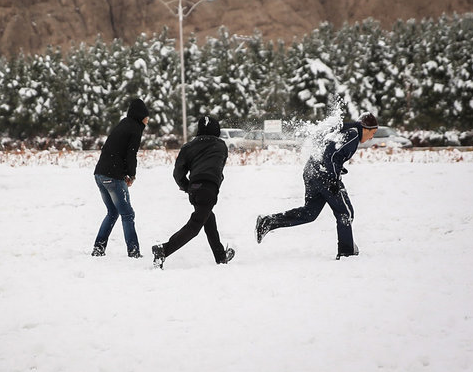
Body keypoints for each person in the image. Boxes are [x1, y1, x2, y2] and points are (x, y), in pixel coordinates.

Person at [255, 112, 379, 259]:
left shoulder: (346, 131)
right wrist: (333, 179)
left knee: (310, 213)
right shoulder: (352, 135)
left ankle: (268, 221)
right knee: (345, 213)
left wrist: (338, 169)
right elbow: (330, 155)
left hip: (312, 171)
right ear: (365, 128)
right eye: (372, 132)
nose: (372, 137)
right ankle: (347, 252)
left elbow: (332, 153)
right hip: (325, 176)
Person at [152, 116, 235, 269]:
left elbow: (178, 172)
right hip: (209, 189)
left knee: (209, 219)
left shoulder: (188, 147)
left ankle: (220, 256)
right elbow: (218, 169)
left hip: (195, 189)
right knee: (195, 226)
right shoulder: (221, 146)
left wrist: (186, 186)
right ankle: (163, 250)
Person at [92, 98, 149, 258]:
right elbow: (131, 154)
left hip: (99, 174)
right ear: (140, 116)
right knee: (127, 214)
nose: (147, 120)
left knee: (112, 212)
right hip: (112, 176)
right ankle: (133, 251)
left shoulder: (123, 124)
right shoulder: (135, 128)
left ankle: (98, 248)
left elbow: (116, 151)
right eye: (146, 116)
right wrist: (131, 175)